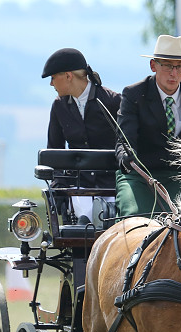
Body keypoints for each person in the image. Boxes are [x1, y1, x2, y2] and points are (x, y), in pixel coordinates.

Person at [114, 35, 181, 218]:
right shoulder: (133, 95)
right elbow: (124, 138)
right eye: (168, 65)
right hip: (140, 176)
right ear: (153, 66)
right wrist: (125, 155)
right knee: (135, 218)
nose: (174, 73)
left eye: (180, 67)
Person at [42, 48, 121, 221]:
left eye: (53, 77)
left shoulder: (113, 102)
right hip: (77, 187)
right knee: (84, 219)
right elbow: (55, 152)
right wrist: (59, 187)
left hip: (112, 187)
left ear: (68, 76)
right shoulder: (58, 107)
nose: (51, 84)